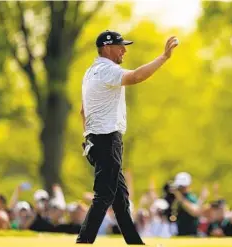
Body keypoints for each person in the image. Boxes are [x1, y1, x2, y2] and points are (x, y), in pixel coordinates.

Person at [76, 30, 178, 245]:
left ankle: (135, 242)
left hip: (96, 139)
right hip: (107, 139)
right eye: (120, 46)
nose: (124, 50)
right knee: (103, 196)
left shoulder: (90, 72)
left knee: (120, 200)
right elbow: (137, 76)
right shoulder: (107, 69)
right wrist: (164, 57)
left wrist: (89, 139)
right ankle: (83, 242)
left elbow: (83, 112)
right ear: (106, 48)